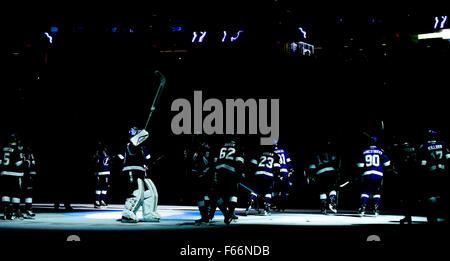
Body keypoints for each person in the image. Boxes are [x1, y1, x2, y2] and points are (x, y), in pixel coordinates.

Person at [118, 127, 160, 223]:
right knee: (136, 192)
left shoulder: (141, 147)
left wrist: (145, 165)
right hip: (131, 170)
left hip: (140, 171)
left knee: (149, 192)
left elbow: (148, 157)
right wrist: (141, 135)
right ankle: (128, 213)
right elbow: (128, 150)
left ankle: (149, 213)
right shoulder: (130, 145)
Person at [418, 129, 450, 223]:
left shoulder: (424, 146)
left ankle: (432, 216)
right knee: (443, 194)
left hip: (431, 174)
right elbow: (448, 158)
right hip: (443, 173)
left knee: (430, 195)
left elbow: (423, 163)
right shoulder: (443, 144)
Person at [356, 136, 391, 216]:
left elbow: (360, 165)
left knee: (365, 191)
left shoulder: (364, 151)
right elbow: (387, 163)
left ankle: (363, 207)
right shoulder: (380, 151)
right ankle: (376, 208)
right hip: (378, 174)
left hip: (367, 173)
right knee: (376, 191)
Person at [212, 137, 244, 224]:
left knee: (216, 196)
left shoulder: (220, 146)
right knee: (233, 194)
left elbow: (214, 160)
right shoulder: (237, 146)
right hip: (231, 172)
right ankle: (230, 213)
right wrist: (240, 174)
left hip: (219, 173)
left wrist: (215, 172)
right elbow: (239, 161)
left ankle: (226, 214)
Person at [186, 135, 216, 224]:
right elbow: (193, 163)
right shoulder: (196, 149)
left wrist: (204, 172)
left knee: (212, 196)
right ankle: (205, 216)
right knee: (200, 197)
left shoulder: (207, 149)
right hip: (199, 176)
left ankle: (224, 214)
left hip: (208, 175)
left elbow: (210, 164)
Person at [389, 135, 418, 225]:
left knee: (404, 198)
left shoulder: (399, 149)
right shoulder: (413, 149)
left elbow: (394, 162)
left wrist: (394, 170)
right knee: (410, 197)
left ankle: (408, 216)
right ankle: (409, 216)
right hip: (412, 175)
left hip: (403, 175)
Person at [308, 140, 340, 215]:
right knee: (332, 188)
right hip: (331, 171)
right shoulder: (330, 152)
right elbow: (335, 160)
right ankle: (332, 201)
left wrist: (312, 176)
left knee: (322, 190)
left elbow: (312, 167)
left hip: (320, 173)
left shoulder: (315, 155)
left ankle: (323, 206)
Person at [249, 144, 281, 216]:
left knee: (255, 189)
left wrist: (252, 173)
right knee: (268, 191)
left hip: (258, 174)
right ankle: (266, 206)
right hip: (268, 175)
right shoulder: (275, 156)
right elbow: (277, 168)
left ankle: (250, 201)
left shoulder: (259, 153)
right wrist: (277, 176)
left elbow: (253, 164)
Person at [0, 133, 25, 220]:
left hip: (4, 173)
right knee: (16, 192)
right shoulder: (17, 149)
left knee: (5, 192)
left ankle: (6, 209)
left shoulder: (3, 149)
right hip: (15, 174)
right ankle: (15, 210)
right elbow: (18, 163)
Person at [273, 143, 294, 212]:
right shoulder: (283, 150)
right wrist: (291, 168)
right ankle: (282, 206)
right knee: (284, 189)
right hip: (285, 170)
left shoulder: (273, 152)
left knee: (277, 189)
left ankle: (276, 205)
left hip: (277, 170)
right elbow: (288, 160)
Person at [93, 141, 112, 208]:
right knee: (98, 186)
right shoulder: (98, 153)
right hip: (99, 172)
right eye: (104, 147)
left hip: (106, 172)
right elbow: (95, 163)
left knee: (105, 187)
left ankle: (102, 200)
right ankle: (97, 200)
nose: (105, 148)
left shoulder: (108, 154)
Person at [21, 144, 37, 219]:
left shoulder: (30, 154)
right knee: (17, 193)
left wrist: (32, 173)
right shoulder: (20, 152)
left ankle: (28, 209)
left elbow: (32, 165)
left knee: (28, 192)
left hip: (26, 174)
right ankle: (14, 210)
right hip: (20, 174)